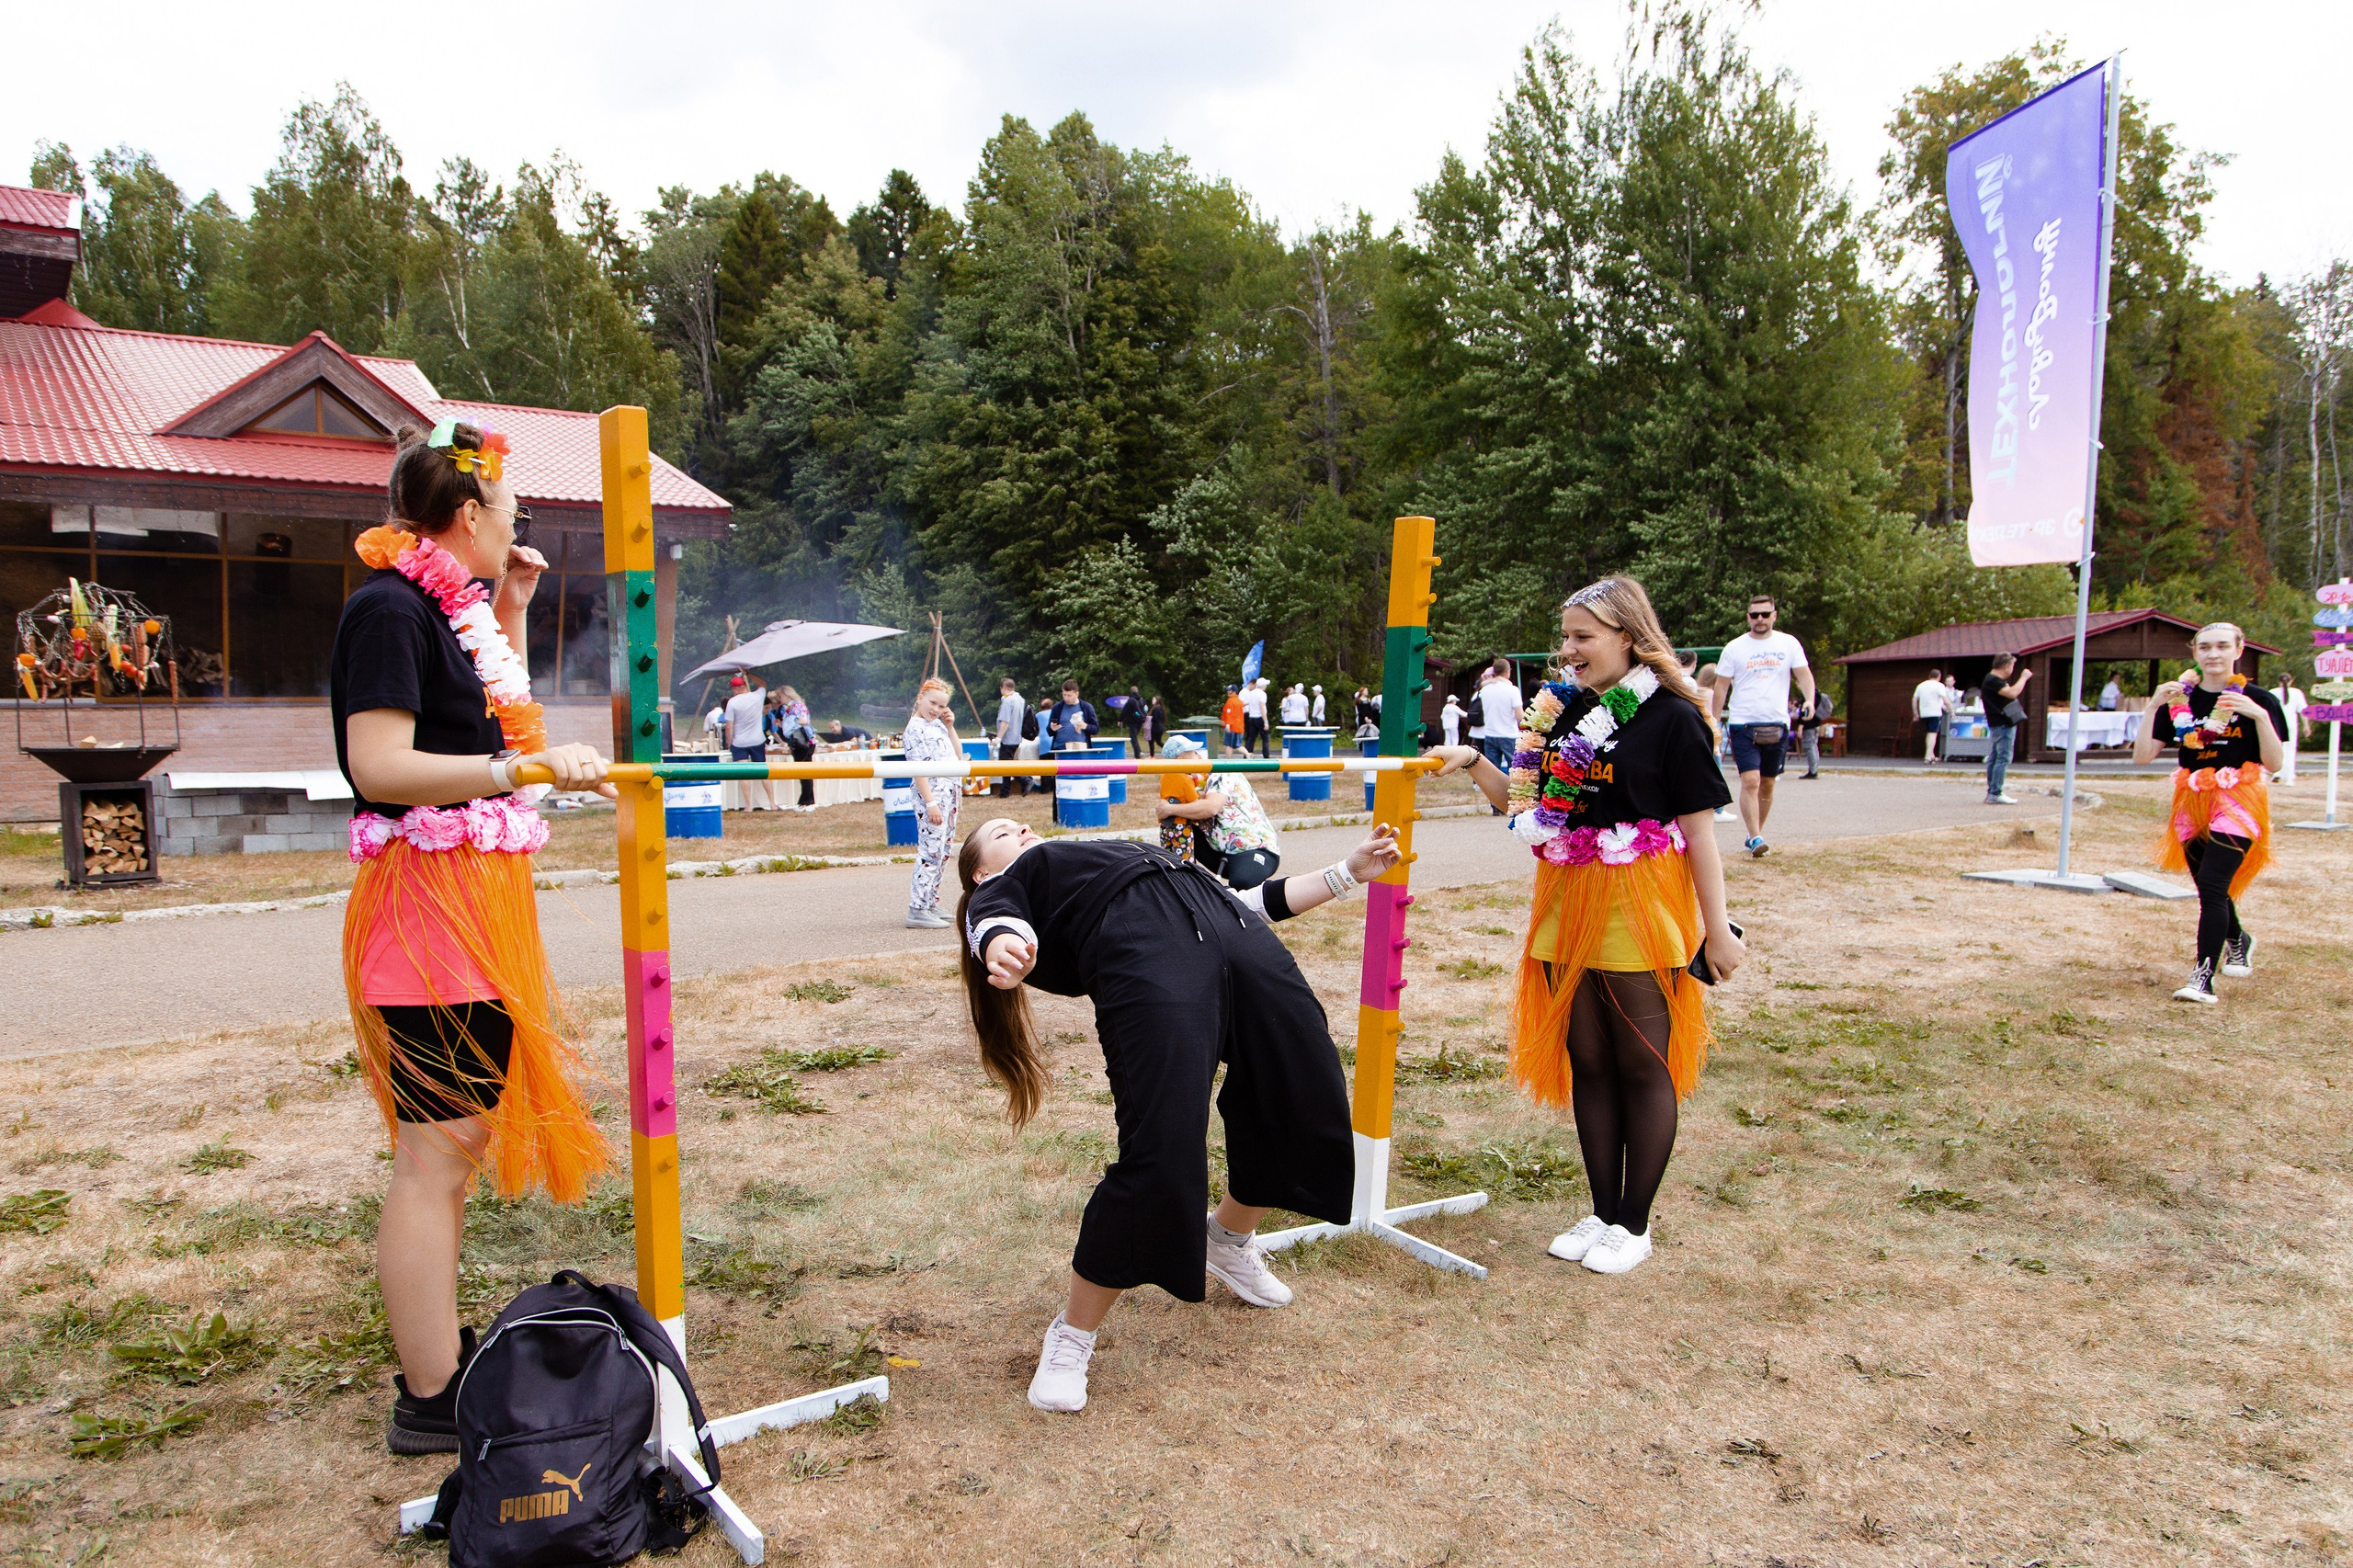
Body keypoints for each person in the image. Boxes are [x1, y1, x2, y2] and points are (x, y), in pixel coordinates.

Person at [333, 421, 614, 1454]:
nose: (517, 530)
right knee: (434, 1156)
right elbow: (383, 764)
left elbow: (471, 711)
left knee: (451, 1147)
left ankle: (435, 1363)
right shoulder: (388, 610)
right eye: (509, 516)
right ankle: (429, 1397)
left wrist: (511, 608)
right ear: (465, 516)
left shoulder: (438, 609)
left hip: (462, 918)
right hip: (427, 920)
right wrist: (519, 775)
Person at [959, 816, 1404, 1412]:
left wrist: (1346, 874)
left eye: (1022, 824)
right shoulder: (1025, 881)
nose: (1023, 827)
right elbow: (993, 911)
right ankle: (1072, 1336)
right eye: (1002, 832)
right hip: (1147, 955)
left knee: (1303, 1090)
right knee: (1162, 1145)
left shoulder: (1116, 852)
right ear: (985, 869)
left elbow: (1248, 901)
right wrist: (1001, 942)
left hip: (1235, 932)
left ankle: (1227, 1237)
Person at [1428, 576, 1741, 1278]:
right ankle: (1602, 1212)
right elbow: (1527, 808)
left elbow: (1700, 835)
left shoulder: (1672, 717)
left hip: (1639, 901)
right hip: (1566, 902)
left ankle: (1635, 1224)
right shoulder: (1562, 714)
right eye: (1565, 636)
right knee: (1590, 1064)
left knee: (1641, 1063)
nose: (1567, 651)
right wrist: (1475, 760)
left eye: (1583, 637)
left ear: (1628, 637)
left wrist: (1718, 931)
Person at [2133, 624, 2288, 1004]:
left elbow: (2276, 763)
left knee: (2215, 886)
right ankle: (2238, 938)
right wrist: (2153, 705)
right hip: (2191, 799)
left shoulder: (2259, 699)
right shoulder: (2177, 700)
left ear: (2239, 649)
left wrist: (2259, 717)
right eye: (2205, 647)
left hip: (2240, 799)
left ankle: (2202, 978)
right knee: (2208, 885)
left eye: (2222, 646)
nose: (2213, 654)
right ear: (2194, 653)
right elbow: (2141, 757)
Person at [1711, 596, 1813, 857]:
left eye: (1765, 614)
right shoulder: (1735, 648)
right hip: (1743, 722)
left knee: (1767, 782)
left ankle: (1755, 832)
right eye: (1754, 615)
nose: (1760, 620)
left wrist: (1810, 700)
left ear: (1774, 616)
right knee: (1751, 780)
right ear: (1748, 617)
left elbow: (1803, 675)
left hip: (1777, 722)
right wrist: (1714, 720)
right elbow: (1721, 686)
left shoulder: (1788, 644)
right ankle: (1756, 837)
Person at [1154, 733, 1283, 888]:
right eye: (1194, 753)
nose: (1200, 756)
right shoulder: (1189, 783)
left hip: (1253, 849)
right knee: (1179, 829)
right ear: (1180, 762)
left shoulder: (1223, 772)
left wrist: (1169, 809)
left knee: (1242, 883)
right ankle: (1180, 881)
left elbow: (1211, 808)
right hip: (1220, 853)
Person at [904, 677, 961, 928]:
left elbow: (957, 756)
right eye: (932, 703)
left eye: (941, 706)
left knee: (944, 850)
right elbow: (918, 769)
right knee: (930, 850)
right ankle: (917, 907)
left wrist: (949, 726)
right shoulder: (914, 729)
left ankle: (930, 900)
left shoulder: (937, 725)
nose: (935, 709)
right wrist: (930, 803)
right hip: (933, 793)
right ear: (920, 698)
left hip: (950, 788)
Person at [1980, 654, 2031, 805]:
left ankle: (1992, 791)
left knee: (1995, 757)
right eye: (2012, 666)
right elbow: (2013, 693)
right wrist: (2024, 678)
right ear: (2006, 666)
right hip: (2002, 724)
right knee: (2003, 757)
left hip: (1997, 724)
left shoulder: (1993, 680)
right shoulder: (1993, 681)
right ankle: (1996, 792)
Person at [723, 674, 777, 812]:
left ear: (734, 690)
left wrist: (729, 742)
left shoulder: (732, 703)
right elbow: (763, 683)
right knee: (763, 772)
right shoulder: (757, 696)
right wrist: (748, 673)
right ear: (745, 686)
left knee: (744, 773)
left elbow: (729, 726)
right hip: (757, 740)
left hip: (740, 741)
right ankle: (772, 803)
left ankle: (748, 805)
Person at [774, 684, 817, 812]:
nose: (779, 699)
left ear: (787, 695)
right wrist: (782, 724)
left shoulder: (797, 706)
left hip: (804, 743)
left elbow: (804, 721)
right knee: (803, 771)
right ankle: (808, 799)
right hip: (797, 742)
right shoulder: (788, 708)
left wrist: (790, 722)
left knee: (805, 772)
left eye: (780, 696)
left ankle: (806, 801)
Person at [1476, 659, 1521, 776]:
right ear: (1507, 672)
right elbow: (1519, 715)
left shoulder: (1485, 689)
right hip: (1509, 734)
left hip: (1490, 733)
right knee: (1514, 768)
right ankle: (1514, 792)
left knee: (1493, 771)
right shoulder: (1513, 690)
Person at [994, 676, 1029, 799]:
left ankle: (1025, 780)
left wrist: (998, 737)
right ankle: (1005, 791)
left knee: (1006, 765)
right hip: (1017, 736)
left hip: (1008, 738)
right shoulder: (1020, 699)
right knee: (1009, 763)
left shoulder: (1007, 700)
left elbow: (1005, 722)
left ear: (1003, 688)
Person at [2274, 672, 2308, 786]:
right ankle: (2289, 778)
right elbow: (2303, 711)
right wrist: (2306, 725)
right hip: (2291, 725)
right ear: (2291, 681)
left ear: (2279, 681)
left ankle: (2276, 772)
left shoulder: (2273, 692)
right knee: (2290, 751)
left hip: (2276, 725)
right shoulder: (2297, 693)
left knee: (2276, 750)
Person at [1047, 679, 1098, 755]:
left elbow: (1096, 729)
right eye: (1064, 695)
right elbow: (1049, 731)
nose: (1066, 698)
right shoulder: (1057, 707)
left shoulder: (1087, 707)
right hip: (1060, 749)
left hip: (1081, 750)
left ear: (1077, 694)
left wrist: (1085, 726)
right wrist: (1052, 728)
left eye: (1069, 695)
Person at [1913, 666, 1949, 764]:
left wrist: (1915, 712)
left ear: (1929, 676)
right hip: (1935, 712)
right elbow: (1945, 700)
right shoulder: (1939, 686)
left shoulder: (1921, 685)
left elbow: (1914, 699)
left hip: (1924, 713)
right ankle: (1927, 756)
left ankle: (1931, 755)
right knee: (1933, 734)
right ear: (1939, 677)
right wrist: (1952, 710)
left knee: (1929, 734)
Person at [1798, 688, 1831, 779]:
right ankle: (1814, 768)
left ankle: (1812, 771)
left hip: (1808, 725)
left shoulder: (1808, 696)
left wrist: (1801, 725)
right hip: (1816, 723)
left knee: (1809, 747)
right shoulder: (1818, 694)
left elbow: (1804, 712)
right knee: (1814, 746)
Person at [1241, 676, 1270, 757]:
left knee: (1251, 738)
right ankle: (1266, 756)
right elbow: (1262, 707)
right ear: (1263, 685)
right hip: (1260, 717)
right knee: (1265, 738)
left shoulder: (1251, 693)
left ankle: (1247, 755)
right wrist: (1266, 721)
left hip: (1251, 717)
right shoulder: (1262, 694)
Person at [1221, 685, 1245, 756]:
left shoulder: (1230, 701)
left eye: (1230, 690)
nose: (1228, 692)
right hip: (1239, 727)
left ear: (1234, 692)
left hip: (1232, 727)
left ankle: (1228, 762)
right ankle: (1248, 754)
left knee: (1228, 745)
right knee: (1238, 745)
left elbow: (1229, 713)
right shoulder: (1239, 701)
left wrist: (1228, 724)